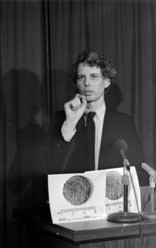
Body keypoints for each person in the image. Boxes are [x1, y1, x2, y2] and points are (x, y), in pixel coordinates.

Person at [48, 51, 149, 186]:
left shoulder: (124, 122)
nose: (87, 83)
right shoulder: (61, 119)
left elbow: (137, 167)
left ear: (106, 81)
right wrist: (69, 124)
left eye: (94, 76)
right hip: (74, 200)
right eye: (81, 77)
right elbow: (52, 166)